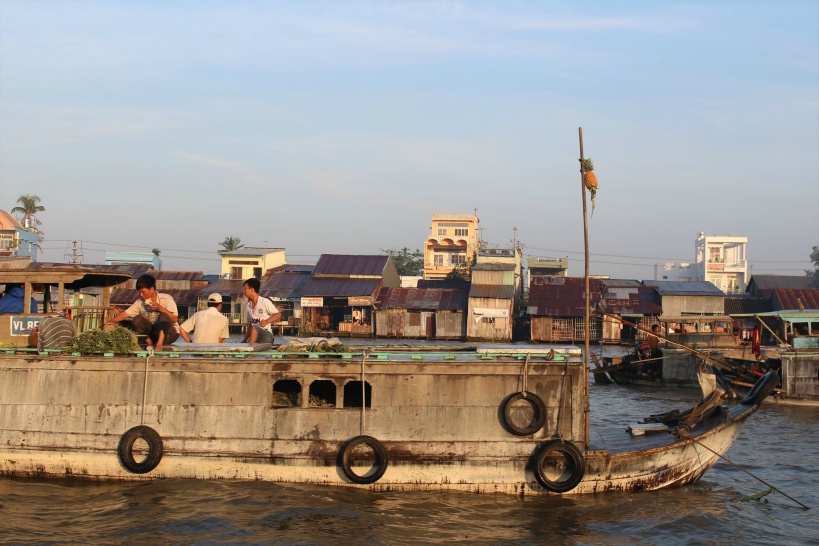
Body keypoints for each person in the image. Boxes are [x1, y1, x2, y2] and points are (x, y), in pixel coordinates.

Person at [104, 274, 179, 351]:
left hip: (169, 335)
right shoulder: (140, 302)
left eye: (143, 292)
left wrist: (160, 308)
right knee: (137, 319)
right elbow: (125, 313)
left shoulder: (166, 299)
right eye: (139, 292)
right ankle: (149, 342)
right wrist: (111, 321)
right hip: (153, 334)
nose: (141, 295)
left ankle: (159, 344)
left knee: (164, 315)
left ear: (152, 289)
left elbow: (175, 319)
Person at [242, 277, 280, 344]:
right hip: (254, 335)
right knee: (253, 328)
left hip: (266, 335)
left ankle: (248, 352)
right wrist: (245, 339)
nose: (244, 291)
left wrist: (267, 321)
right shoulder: (249, 305)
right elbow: (251, 324)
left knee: (254, 329)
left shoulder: (264, 301)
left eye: (245, 289)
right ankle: (249, 350)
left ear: (252, 290)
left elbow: (278, 314)